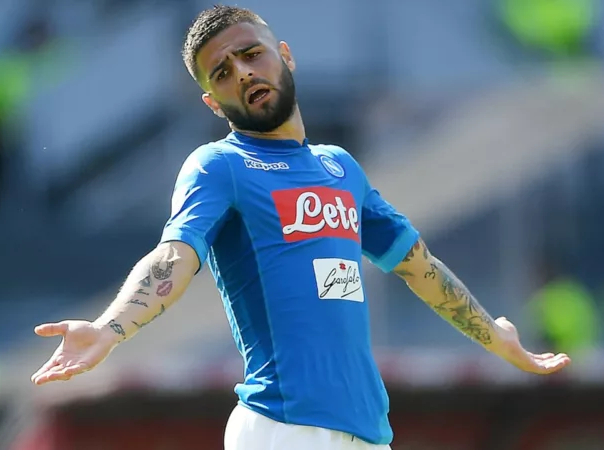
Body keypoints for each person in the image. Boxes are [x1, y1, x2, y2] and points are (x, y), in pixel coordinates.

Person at [31, 6, 571, 449]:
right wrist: (109, 329)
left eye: (251, 54)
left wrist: (496, 337)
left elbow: (419, 266)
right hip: (284, 428)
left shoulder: (341, 169)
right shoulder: (220, 166)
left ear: (284, 55)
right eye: (222, 73)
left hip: (368, 431)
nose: (242, 73)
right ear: (212, 102)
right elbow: (174, 257)